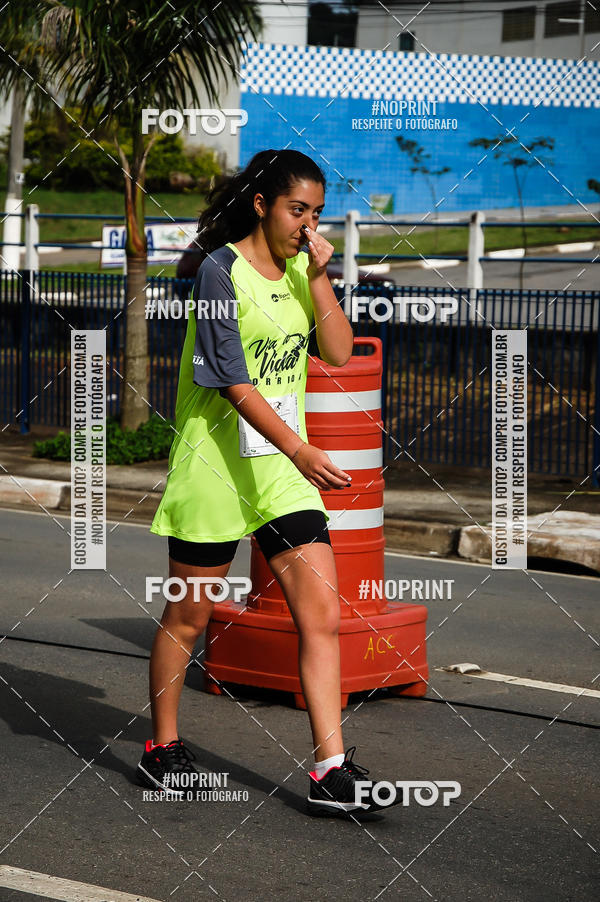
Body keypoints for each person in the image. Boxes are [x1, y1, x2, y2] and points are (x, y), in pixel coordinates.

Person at [137, 149, 384, 816]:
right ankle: (162, 748)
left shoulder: (303, 267)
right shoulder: (220, 271)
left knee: (322, 613)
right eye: (296, 210)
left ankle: (329, 768)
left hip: (279, 473)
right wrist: (302, 449)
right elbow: (231, 379)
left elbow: (336, 350)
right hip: (217, 466)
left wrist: (322, 274)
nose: (307, 224)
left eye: (316, 214)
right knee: (190, 616)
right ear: (261, 205)